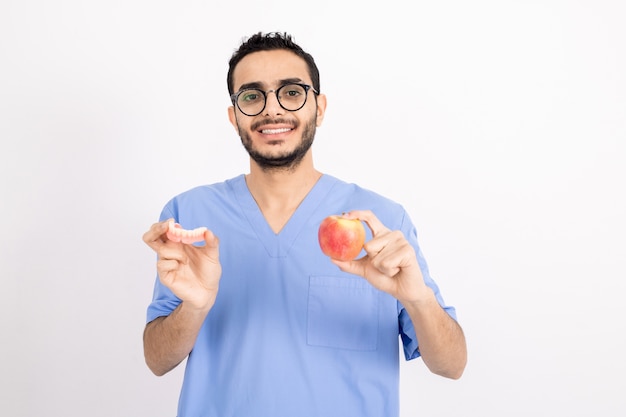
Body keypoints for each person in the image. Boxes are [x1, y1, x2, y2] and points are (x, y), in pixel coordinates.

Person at [142, 32, 467, 417]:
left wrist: (417, 298)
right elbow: (157, 360)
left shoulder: (379, 223)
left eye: (291, 92)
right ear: (234, 117)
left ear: (320, 107)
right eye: (251, 96)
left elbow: (451, 365)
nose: (272, 110)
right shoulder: (189, 216)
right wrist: (194, 307)